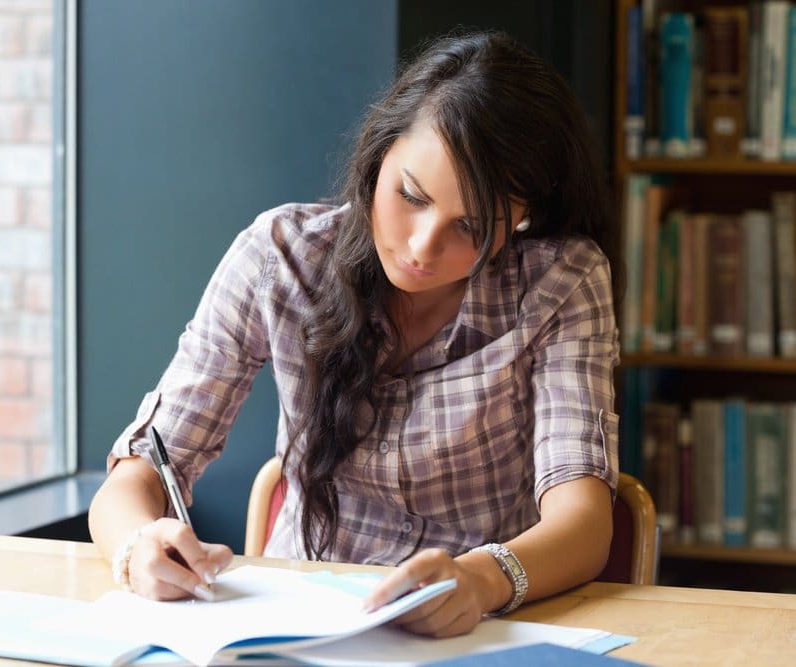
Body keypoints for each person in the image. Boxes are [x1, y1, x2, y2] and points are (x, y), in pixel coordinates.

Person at [88, 30, 621, 638]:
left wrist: (480, 580)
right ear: (379, 154)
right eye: (411, 196)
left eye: (470, 226)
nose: (423, 248)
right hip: (297, 630)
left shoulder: (559, 280)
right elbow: (144, 467)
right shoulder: (280, 259)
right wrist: (137, 546)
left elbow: (584, 520)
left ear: (521, 218)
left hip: (477, 632)